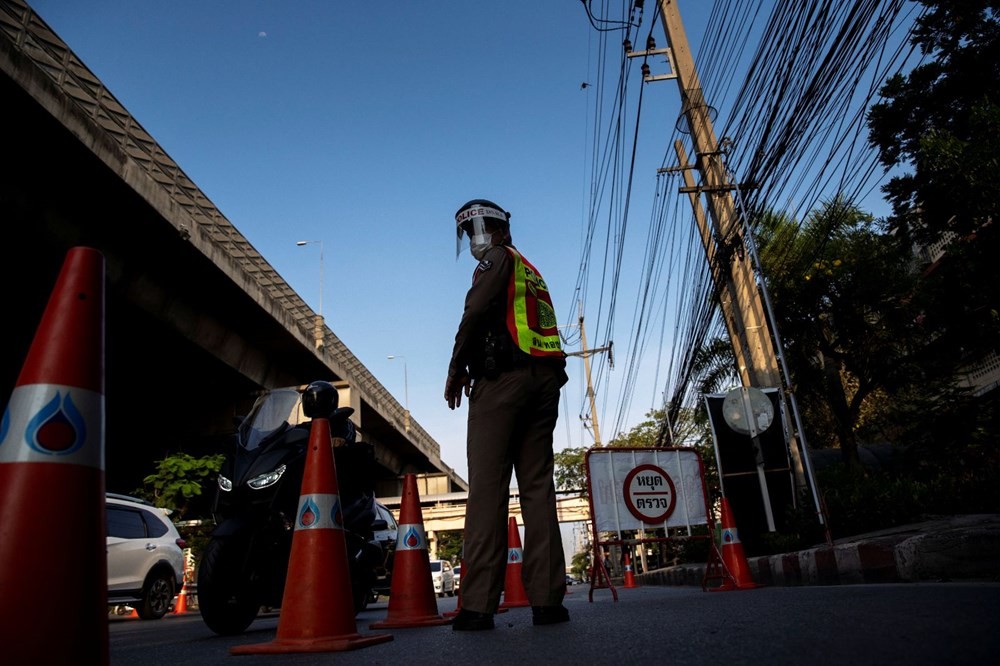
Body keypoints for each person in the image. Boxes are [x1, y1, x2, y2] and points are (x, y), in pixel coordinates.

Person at [444, 198, 570, 631]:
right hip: (544, 382)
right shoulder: (530, 271)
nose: (475, 242)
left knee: (487, 490)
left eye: (476, 232)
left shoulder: (496, 260)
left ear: (495, 231)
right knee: (538, 489)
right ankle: (548, 602)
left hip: (503, 384)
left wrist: (456, 368)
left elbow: (474, 312)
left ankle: (478, 605)